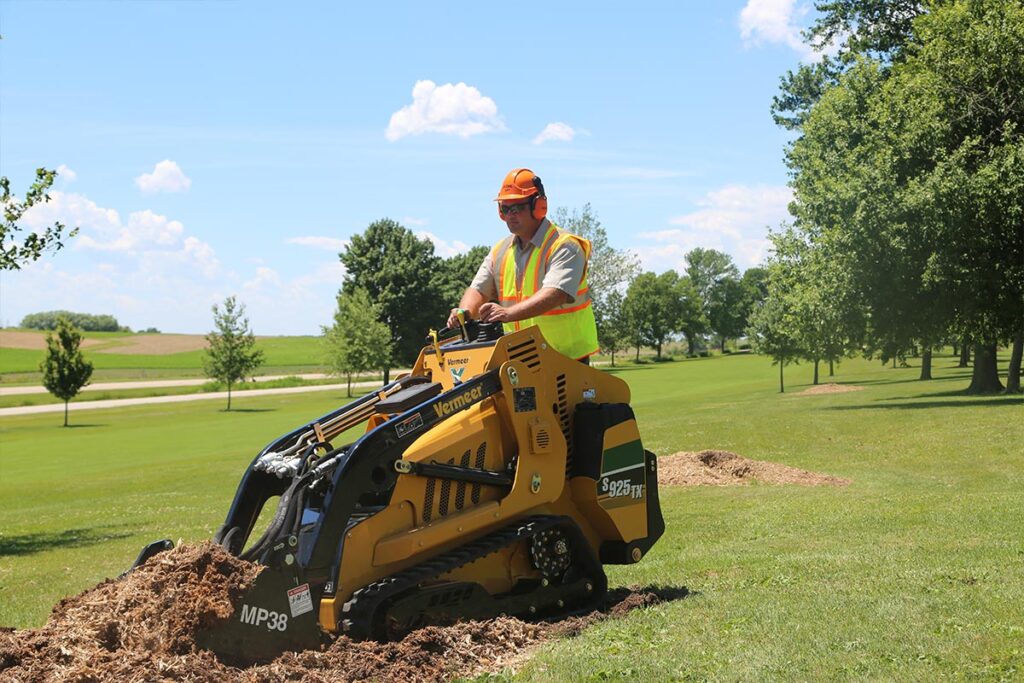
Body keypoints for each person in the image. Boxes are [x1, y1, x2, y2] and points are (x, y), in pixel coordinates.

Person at [447, 168, 599, 362]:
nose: (510, 214)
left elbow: (555, 293)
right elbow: (478, 289)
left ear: (539, 206)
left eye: (518, 207)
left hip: (567, 358)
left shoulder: (564, 246)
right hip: (521, 360)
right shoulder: (500, 251)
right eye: (505, 208)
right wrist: (465, 312)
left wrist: (507, 313)